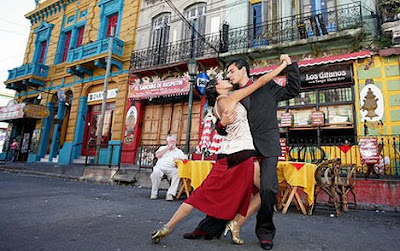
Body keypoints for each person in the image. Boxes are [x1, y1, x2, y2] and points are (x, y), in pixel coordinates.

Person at [151, 57, 290, 245]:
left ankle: (167, 227)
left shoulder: (216, 106)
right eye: (224, 79)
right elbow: (261, 82)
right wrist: (282, 66)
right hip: (243, 154)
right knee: (265, 191)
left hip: (226, 156)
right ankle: (236, 223)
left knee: (201, 193)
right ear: (218, 87)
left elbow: (221, 125)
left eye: (230, 74)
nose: (228, 79)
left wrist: (222, 123)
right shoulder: (231, 98)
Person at [185, 55, 301, 250]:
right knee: (227, 188)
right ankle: (208, 228)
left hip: (267, 146)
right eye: (227, 73)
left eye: (231, 71)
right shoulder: (231, 94)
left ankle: (265, 232)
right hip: (241, 149)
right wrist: (222, 124)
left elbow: (292, 90)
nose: (229, 76)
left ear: (243, 70)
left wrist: (289, 66)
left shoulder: (266, 85)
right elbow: (221, 126)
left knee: (267, 188)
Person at [150, 134, 187, 201]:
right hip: (160, 167)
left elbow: (185, 158)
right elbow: (157, 155)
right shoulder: (162, 148)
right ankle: (154, 193)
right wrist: (167, 148)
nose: (172, 143)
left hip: (172, 168)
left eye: (174, 141)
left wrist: (179, 159)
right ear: (167, 142)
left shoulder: (178, 151)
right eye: (171, 141)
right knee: (156, 172)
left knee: (178, 173)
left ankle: (170, 194)